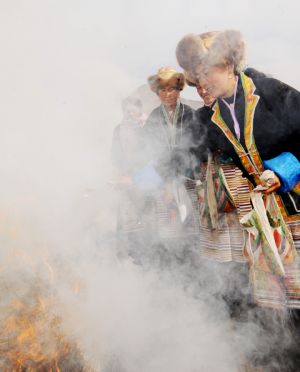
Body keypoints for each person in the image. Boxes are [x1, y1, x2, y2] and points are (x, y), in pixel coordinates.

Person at [176, 29, 300, 309]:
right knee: (273, 303)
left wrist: (282, 169)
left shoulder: (271, 93)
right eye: (196, 79)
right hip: (263, 220)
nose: (202, 84)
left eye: (206, 73)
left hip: (295, 207)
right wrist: (137, 179)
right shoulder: (208, 118)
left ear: (229, 65)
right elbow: (178, 156)